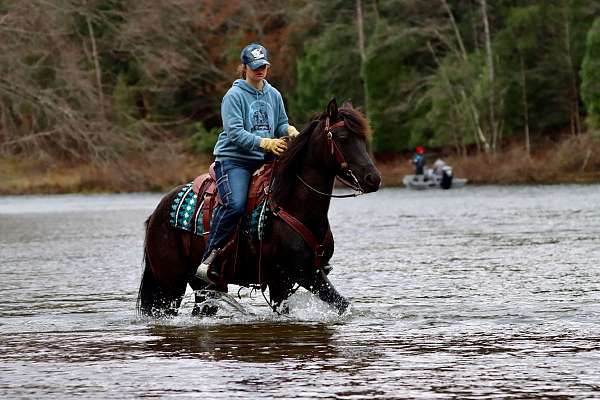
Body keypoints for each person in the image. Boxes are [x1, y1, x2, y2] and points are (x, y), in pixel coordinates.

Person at [195, 43, 299, 284]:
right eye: (255, 67)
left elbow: (281, 123)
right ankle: (209, 258)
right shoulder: (233, 97)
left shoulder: (274, 94)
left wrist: (290, 131)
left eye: (264, 65)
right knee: (236, 204)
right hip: (234, 160)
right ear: (244, 68)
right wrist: (265, 143)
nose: (260, 70)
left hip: (265, 158)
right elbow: (234, 133)